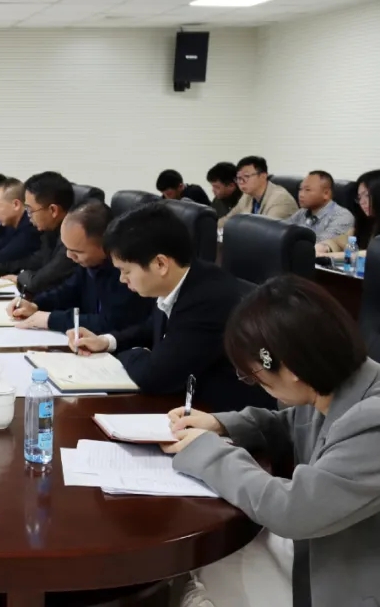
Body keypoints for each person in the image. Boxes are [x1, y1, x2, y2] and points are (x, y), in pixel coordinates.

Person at [165, 275, 380, 607]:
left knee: (200, 575)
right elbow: (290, 424)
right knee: (198, 568)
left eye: (254, 376)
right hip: (319, 550)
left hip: (346, 581)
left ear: (291, 368)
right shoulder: (331, 382)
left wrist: (207, 452)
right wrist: (220, 425)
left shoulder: (372, 422)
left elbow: (295, 510)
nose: (257, 385)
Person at [69, 203, 272, 413]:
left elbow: (154, 376)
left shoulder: (207, 300)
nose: (122, 279)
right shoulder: (179, 281)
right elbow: (150, 329)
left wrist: (129, 354)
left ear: (161, 264)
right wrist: (107, 342)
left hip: (224, 416)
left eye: (126, 271)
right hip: (186, 403)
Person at [6, 200, 152, 335]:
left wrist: (50, 319)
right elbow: (68, 291)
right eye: (66, 248)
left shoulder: (126, 274)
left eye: (77, 252)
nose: (69, 256)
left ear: (105, 245)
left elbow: (110, 323)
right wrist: (36, 305)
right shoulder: (88, 264)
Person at [0, 172, 76, 296]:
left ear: (53, 210)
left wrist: (20, 278)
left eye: (30, 210)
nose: (28, 216)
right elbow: (35, 261)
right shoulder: (49, 232)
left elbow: (39, 281)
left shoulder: (73, 237)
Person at [284, 170, 355, 254]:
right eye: (300, 189)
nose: (301, 194)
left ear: (326, 193)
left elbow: (322, 244)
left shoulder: (342, 216)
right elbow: (282, 230)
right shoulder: (302, 212)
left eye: (307, 190)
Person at [218, 156, 298, 228]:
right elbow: (229, 219)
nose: (241, 182)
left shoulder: (280, 199)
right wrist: (212, 228)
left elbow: (267, 231)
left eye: (246, 176)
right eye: (239, 178)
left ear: (263, 176)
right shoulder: (247, 196)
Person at [354, 169, 380, 250]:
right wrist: (326, 246)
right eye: (359, 197)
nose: (362, 202)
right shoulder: (366, 221)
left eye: (367, 195)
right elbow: (343, 238)